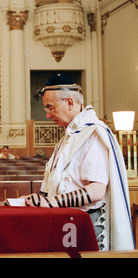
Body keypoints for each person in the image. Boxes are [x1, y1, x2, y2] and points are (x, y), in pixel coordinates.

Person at [23, 73, 134, 251]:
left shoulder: (93, 134)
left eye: (50, 108)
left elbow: (96, 190)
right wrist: (35, 200)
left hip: (85, 224)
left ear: (69, 102)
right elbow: (60, 184)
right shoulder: (69, 137)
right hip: (66, 222)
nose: (48, 115)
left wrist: (52, 202)